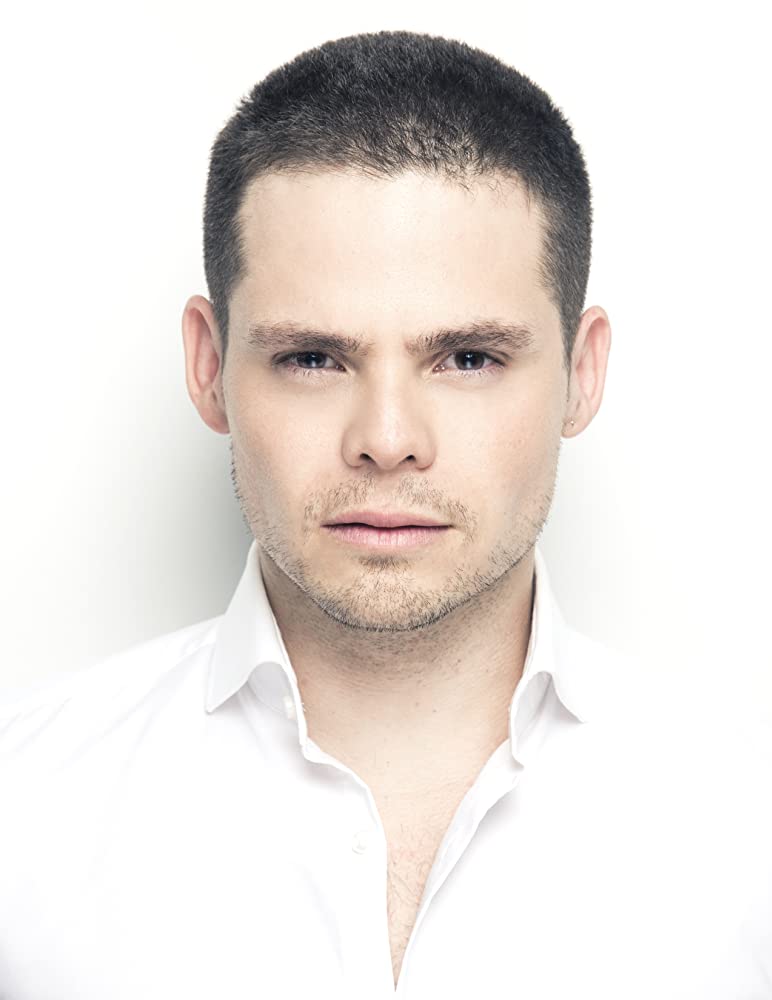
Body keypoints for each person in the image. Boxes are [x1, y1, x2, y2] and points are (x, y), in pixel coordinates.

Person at [1, 29, 769, 1000]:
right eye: (313, 358)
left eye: (469, 358)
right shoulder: (22, 815)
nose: (388, 438)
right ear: (209, 366)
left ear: (582, 373)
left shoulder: (749, 835)